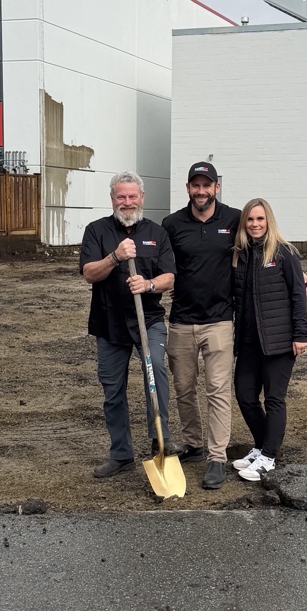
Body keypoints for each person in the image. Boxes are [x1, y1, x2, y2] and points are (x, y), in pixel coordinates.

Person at [80, 171, 176, 479]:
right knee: (113, 390)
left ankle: (160, 440)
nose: (127, 202)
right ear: (112, 199)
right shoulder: (96, 231)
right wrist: (114, 257)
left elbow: (169, 277)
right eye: (121, 196)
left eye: (132, 196)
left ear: (141, 198)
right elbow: (89, 273)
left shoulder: (157, 233)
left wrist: (148, 284)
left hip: (148, 320)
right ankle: (121, 454)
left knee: (156, 370)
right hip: (109, 323)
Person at [162, 162, 243, 491]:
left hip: (219, 321)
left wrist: (295, 270)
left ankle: (217, 457)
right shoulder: (172, 224)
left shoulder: (234, 219)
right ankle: (194, 444)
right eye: (195, 185)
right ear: (187, 188)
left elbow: (264, 242)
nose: (201, 191)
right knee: (183, 389)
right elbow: (160, 262)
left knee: (218, 390)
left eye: (206, 185)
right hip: (181, 321)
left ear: (216, 188)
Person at [230, 197, 307, 482]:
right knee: (245, 395)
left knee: (274, 398)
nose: (255, 224)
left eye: (260, 219)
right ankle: (262, 446)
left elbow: (298, 294)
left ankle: (268, 457)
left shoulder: (284, 253)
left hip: (280, 341)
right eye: (250, 219)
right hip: (248, 341)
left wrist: (300, 334)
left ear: (269, 221)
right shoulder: (239, 255)